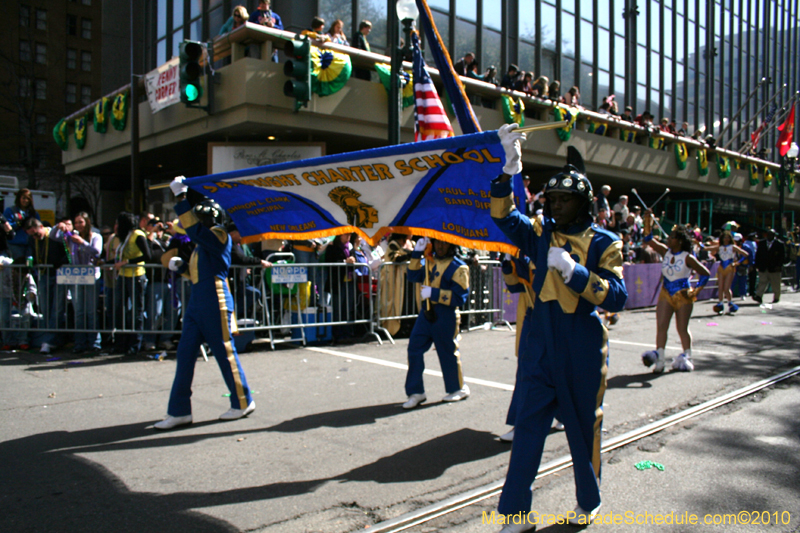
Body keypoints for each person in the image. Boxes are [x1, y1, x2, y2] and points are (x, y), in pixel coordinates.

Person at [491, 125, 627, 530]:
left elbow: (616, 296)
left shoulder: (605, 242)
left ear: (582, 202)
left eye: (565, 199)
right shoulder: (538, 231)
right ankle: (515, 513)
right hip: (539, 339)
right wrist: (508, 169)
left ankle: (589, 499)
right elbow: (502, 216)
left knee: (583, 429)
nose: (556, 205)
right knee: (529, 430)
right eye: (552, 198)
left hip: (580, 342)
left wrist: (577, 273)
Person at [155, 177, 255, 430]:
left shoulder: (219, 236)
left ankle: (243, 401)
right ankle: (179, 411)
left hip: (215, 300)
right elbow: (200, 272)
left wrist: (181, 199)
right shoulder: (204, 243)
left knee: (224, 353)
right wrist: (182, 269)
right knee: (185, 354)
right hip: (198, 301)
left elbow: (194, 231)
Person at [402, 237, 470, 409]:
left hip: (445, 314)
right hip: (426, 313)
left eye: (444, 242)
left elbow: (459, 297)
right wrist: (417, 252)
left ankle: (458, 388)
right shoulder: (429, 262)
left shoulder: (459, 267)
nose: (440, 246)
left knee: (447, 352)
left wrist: (434, 293)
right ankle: (416, 391)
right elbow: (412, 275)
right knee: (414, 349)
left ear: (451, 244)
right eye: (437, 242)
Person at [640, 211, 710, 373]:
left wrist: (695, 291)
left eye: (671, 237)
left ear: (679, 241)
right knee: (661, 326)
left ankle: (687, 356)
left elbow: (705, 273)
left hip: (683, 295)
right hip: (666, 293)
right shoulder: (665, 252)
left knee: (682, 328)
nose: (668, 239)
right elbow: (648, 239)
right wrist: (648, 218)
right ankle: (660, 360)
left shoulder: (687, 257)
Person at [54, 212, 103, 354]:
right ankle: (80, 343)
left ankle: (95, 343)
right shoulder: (71, 237)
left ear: (87, 222)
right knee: (79, 312)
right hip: (76, 277)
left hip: (91, 276)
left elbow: (97, 252)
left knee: (91, 311)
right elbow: (54, 237)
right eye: (76, 223)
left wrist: (83, 243)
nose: (78, 225)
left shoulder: (96, 236)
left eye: (81, 222)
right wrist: (59, 227)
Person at [106, 212, 151, 356]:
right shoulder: (123, 237)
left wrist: (127, 262)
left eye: (118, 223)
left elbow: (147, 256)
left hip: (136, 276)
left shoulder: (138, 234)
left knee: (136, 311)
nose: (117, 226)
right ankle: (120, 343)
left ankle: (135, 344)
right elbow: (119, 257)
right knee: (119, 310)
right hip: (122, 276)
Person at [23, 218, 70, 354]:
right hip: (44, 274)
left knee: (57, 308)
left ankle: (50, 341)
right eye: (31, 235)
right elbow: (31, 253)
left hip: (59, 274)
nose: (35, 237)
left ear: (41, 227)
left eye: (36, 233)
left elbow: (67, 252)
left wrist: (61, 262)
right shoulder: (33, 240)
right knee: (45, 308)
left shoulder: (55, 235)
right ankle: (52, 339)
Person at [703, 230, 747, 314]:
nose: (726, 239)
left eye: (727, 237)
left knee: (726, 288)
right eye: (724, 237)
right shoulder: (719, 247)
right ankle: (720, 303)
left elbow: (745, 254)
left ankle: (730, 303)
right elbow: (706, 248)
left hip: (730, 268)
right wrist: (697, 243)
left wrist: (737, 263)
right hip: (721, 268)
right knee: (720, 287)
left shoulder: (733, 247)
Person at [3, 189, 39, 260]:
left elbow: (39, 226)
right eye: (24, 198)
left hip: (29, 244)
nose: (26, 200)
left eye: (28, 198)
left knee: (29, 264)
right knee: (19, 264)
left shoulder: (33, 213)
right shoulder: (10, 211)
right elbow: (6, 226)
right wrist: (18, 223)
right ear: (19, 198)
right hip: (15, 244)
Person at [753, 229, 785, 304]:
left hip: (774, 267)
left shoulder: (779, 244)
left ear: (774, 235)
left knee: (775, 283)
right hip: (763, 267)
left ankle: (776, 297)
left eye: (772, 234)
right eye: (769, 234)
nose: (770, 236)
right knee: (762, 282)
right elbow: (758, 255)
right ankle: (759, 296)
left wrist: (779, 265)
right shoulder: (762, 243)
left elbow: (782, 256)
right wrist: (757, 265)